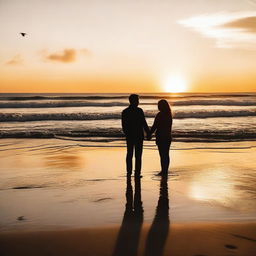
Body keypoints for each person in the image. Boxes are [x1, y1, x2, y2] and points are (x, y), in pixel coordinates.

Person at [122, 94, 150, 177]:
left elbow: (124, 126)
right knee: (138, 155)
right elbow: (144, 123)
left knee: (129, 154)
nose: (138, 102)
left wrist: (127, 134)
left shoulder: (125, 111)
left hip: (130, 136)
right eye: (137, 100)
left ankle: (129, 172)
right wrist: (148, 133)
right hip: (138, 135)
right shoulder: (139, 111)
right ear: (134, 101)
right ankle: (137, 172)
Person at [150, 100, 172, 176]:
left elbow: (154, 126)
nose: (158, 107)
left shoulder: (160, 115)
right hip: (168, 137)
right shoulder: (169, 114)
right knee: (166, 154)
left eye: (159, 105)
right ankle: (165, 170)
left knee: (162, 155)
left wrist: (149, 134)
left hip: (161, 137)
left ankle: (163, 171)